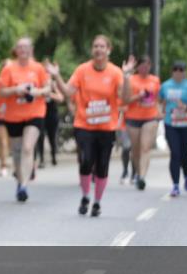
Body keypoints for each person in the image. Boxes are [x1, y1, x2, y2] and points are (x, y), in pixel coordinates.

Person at [47, 36, 126, 217]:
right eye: (95, 46)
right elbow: (67, 92)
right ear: (92, 50)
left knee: (102, 166)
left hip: (106, 126)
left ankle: (97, 202)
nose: (98, 49)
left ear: (108, 50)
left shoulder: (115, 73)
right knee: (86, 160)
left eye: (102, 46)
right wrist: (56, 75)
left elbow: (125, 97)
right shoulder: (82, 70)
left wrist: (127, 77)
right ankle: (85, 196)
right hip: (84, 124)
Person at [0, 37, 50, 202]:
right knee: (17, 152)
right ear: (16, 50)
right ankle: (20, 182)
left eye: (26, 47)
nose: (23, 50)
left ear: (31, 50)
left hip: (35, 113)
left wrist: (38, 92)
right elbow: (1, 92)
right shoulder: (8, 69)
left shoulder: (38, 68)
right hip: (13, 115)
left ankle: (24, 186)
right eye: (20, 47)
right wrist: (16, 89)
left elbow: (48, 88)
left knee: (28, 148)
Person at [157, 60, 187, 197]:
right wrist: (161, 112)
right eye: (176, 69)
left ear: (185, 72)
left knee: (184, 155)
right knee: (174, 154)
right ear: (172, 71)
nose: (178, 72)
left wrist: (186, 107)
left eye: (181, 70)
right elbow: (159, 101)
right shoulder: (166, 86)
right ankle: (175, 185)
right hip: (171, 124)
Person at [119, 54, 160, 190]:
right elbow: (125, 100)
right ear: (138, 67)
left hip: (150, 117)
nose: (145, 67)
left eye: (148, 65)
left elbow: (158, 99)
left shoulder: (155, 80)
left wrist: (160, 112)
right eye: (142, 65)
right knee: (135, 150)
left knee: (145, 147)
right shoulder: (131, 80)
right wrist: (138, 96)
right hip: (133, 118)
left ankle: (142, 177)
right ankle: (137, 172)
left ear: (150, 66)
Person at [35, 74, 64, 168]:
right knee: (40, 137)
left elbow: (60, 98)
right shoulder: (38, 86)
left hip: (52, 115)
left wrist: (49, 94)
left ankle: (53, 156)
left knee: (52, 137)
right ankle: (41, 159)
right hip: (40, 114)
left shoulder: (53, 86)